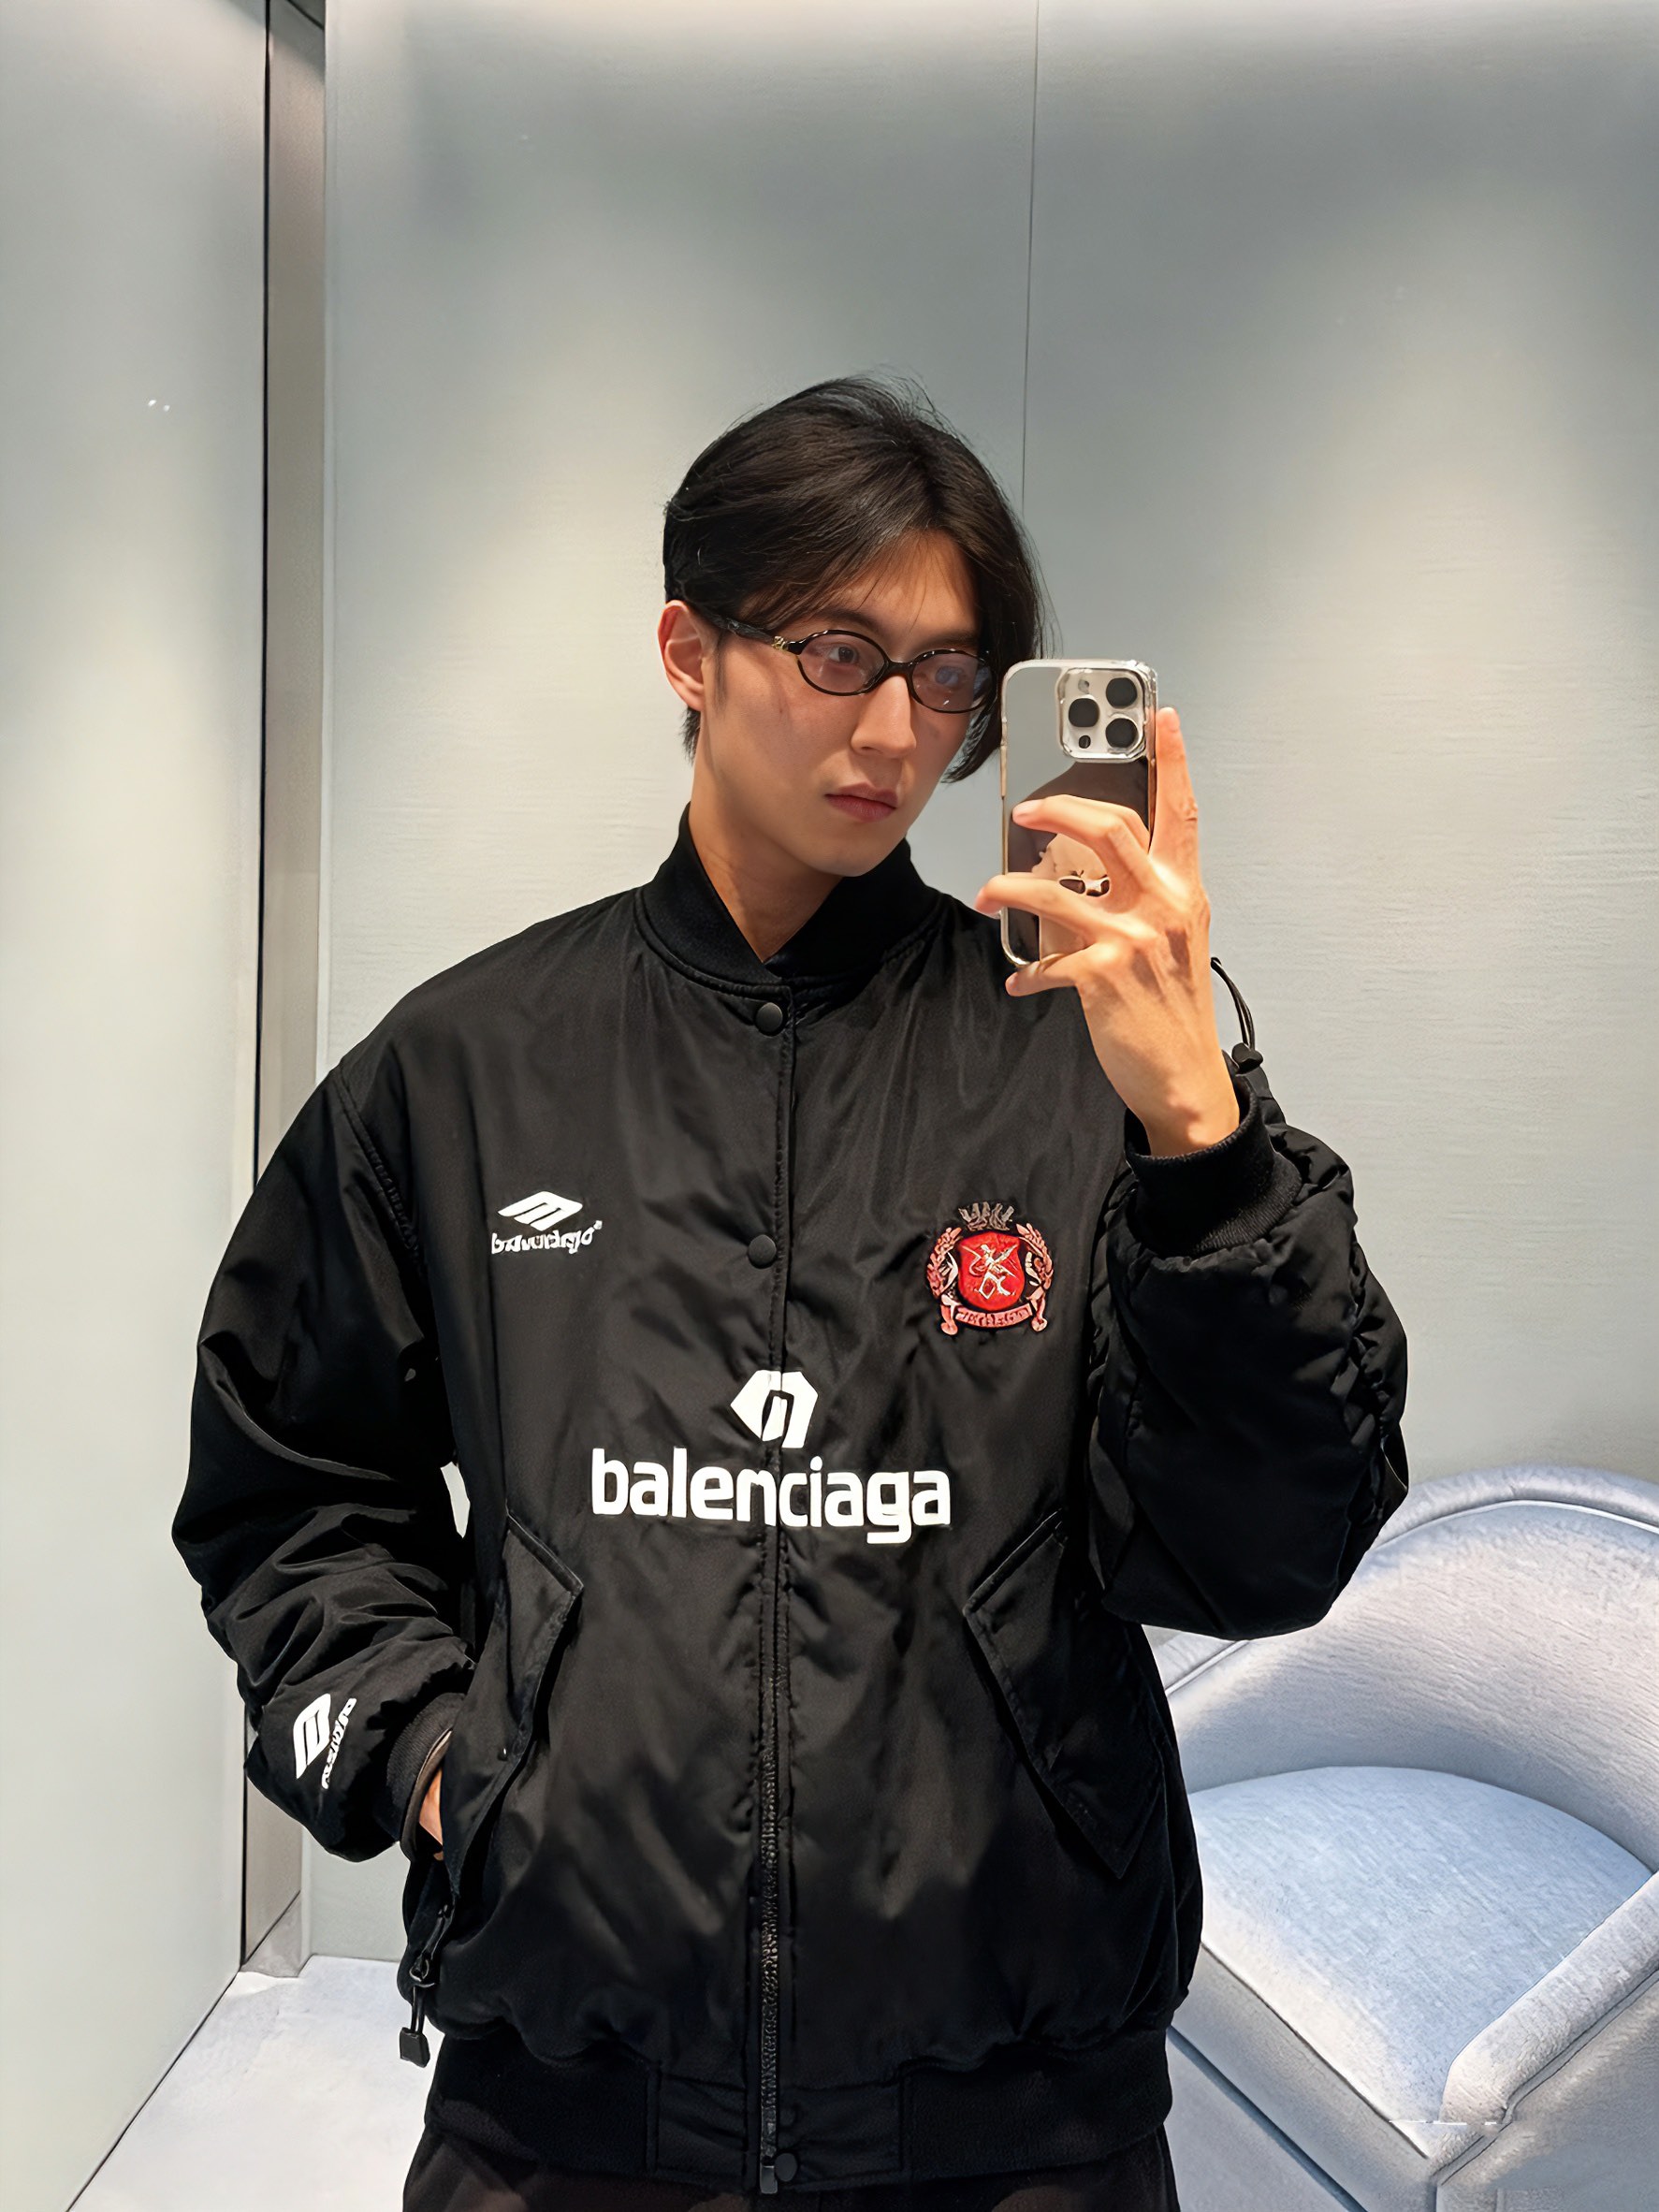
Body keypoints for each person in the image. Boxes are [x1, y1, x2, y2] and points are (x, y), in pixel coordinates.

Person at [173, 375, 1409, 2212]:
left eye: (946, 675)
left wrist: (1202, 1144)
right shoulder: (468, 1066)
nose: (894, 729)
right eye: (838, 653)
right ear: (689, 648)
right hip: (564, 2116)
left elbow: (1264, 1554)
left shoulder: (1083, 1070)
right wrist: (436, 1767)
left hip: (1019, 2124)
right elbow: (288, 1492)